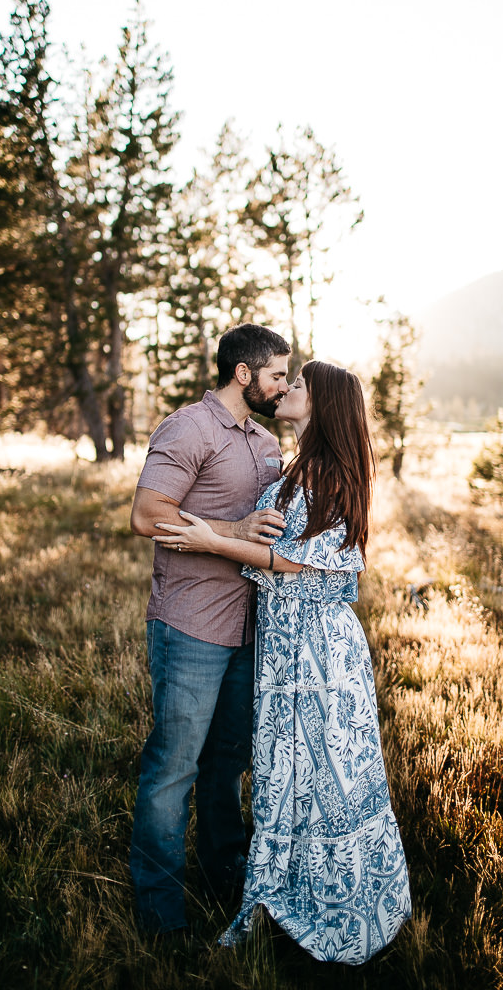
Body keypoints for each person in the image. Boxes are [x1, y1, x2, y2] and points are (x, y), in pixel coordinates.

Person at [154, 360, 412, 964]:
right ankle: (296, 892)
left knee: (326, 775)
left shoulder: (328, 471)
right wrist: (231, 529)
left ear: (322, 404)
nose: (287, 388)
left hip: (317, 650)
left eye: (298, 384)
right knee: (293, 775)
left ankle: (343, 911)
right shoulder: (298, 465)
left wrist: (212, 541)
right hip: (288, 641)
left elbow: (297, 562)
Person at [129, 323, 292, 937]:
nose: (284, 386)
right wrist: (233, 532)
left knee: (227, 764)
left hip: (251, 631)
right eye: (277, 375)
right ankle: (160, 917)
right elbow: (148, 515)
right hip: (191, 626)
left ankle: (225, 879)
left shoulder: (266, 440)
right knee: (174, 768)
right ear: (243, 373)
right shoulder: (188, 429)